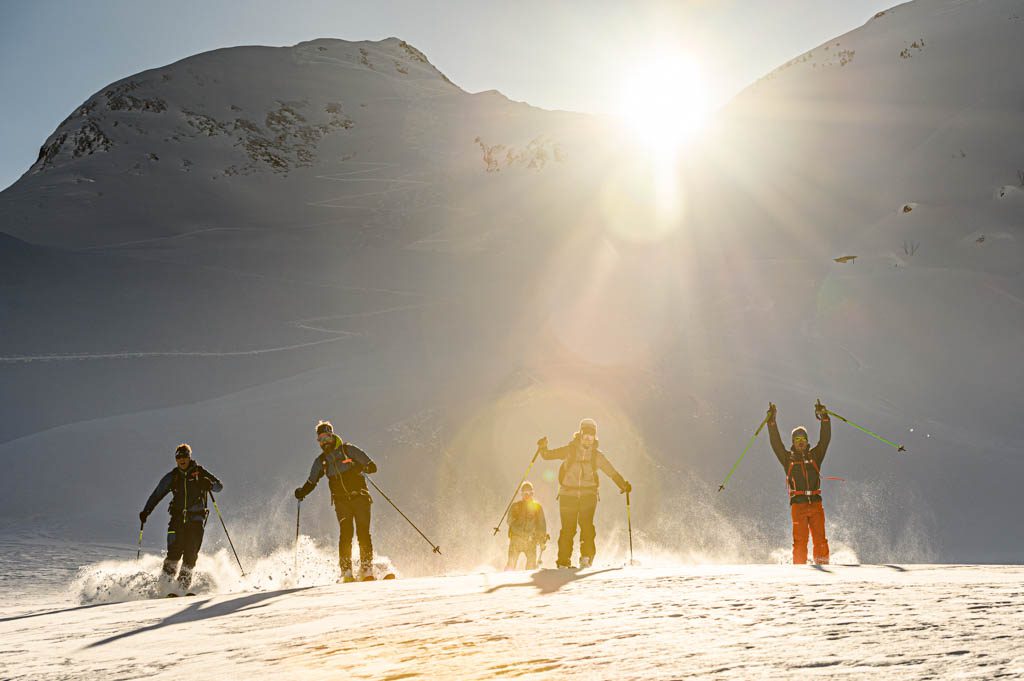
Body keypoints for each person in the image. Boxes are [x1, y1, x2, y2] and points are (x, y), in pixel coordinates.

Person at [539, 418, 631, 569]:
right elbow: (548, 455)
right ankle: (563, 561)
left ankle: (586, 558)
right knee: (568, 528)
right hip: (568, 494)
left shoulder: (597, 456)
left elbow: (611, 471)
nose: (588, 437)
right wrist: (542, 448)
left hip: (589, 495)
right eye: (585, 434)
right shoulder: (570, 450)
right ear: (580, 434)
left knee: (587, 526)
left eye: (591, 434)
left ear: (595, 437)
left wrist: (623, 484)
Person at [294, 420, 378, 582]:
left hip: (360, 497)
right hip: (341, 502)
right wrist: (302, 492)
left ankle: (366, 569)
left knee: (362, 533)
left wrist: (358, 467)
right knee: (346, 534)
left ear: (332, 436)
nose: (324, 443)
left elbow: (372, 467)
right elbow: (312, 482)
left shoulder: (349, 450)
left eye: (327, 438)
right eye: (320, 440)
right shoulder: (321, 462)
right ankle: (346, 571)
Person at [139, 443, 223, 591]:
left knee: (191, 554)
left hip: (196, 520)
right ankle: (164, 587)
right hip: (177, 519)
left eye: (184, 456)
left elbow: (219, 487)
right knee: (174, 553)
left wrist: (208, 484)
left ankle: (182, 588)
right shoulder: (173, 477)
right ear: (176, 459)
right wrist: (146, 511)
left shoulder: (199, 472)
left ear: (189, 457)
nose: (182, 460)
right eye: (179, 457)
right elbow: (157, 494)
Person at [767, 401, 832, 565]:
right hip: (798, 506)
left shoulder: (815, 456)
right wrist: (771, 422)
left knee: (820, 541)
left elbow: (825, 440)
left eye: (803, 438)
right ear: (793, 442)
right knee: (800, 542)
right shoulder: (788, 459)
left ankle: (823, 569)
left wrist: (824, 417)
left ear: (807, 440)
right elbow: (776, 444)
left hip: (816, 504)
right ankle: (799, 574)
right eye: (797, 439)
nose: (801, 442)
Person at [505, 481, 548, 570]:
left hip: (530, 541)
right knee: (511, 565)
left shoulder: (537, 507)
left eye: (530, 493)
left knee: (531, 568)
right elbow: (509, 520)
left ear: (533, 493)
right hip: (516, 541)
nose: (527, 495)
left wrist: (541, 540)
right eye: (525, 493)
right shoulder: (516, 506)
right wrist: (514, 521)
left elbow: (541, 526)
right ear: (521, 494)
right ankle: (507, 579)